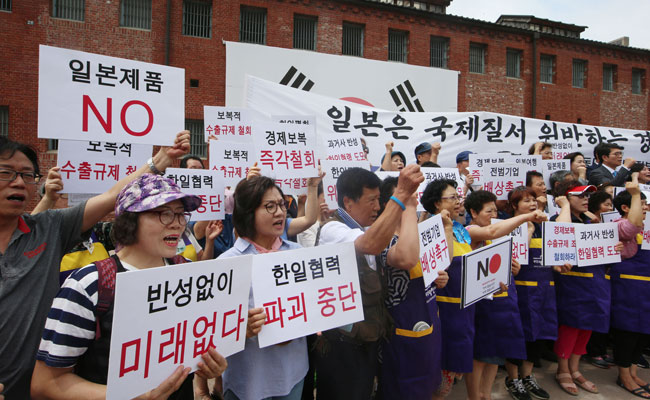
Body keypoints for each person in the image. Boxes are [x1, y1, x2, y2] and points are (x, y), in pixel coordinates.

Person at [0, 131, 190, 398]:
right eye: (6, 173)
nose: (19, 182)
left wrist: (160, 160)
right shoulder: (88, 284)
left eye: (27, 175)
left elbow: (113, 196)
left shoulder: (49, 228)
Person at [31, 174, 226, 400]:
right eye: (163, 213)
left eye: (181, 214)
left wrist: (210, 361)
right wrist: (131, 396)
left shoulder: (189, 275)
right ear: (129, 220)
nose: (177, 223)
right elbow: (46, 383)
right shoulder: (89, 285)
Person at [313, 165, 423, 399]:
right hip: (342, 343)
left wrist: (409, 207)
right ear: (348, 202)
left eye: (378, 199)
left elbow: (405, 256)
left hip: (367, 336)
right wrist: (401, 194)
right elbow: (369, 245)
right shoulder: (333, 229)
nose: (377, 207)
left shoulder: (368, 228)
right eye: (371, 200)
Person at [218, 175, 308, 400]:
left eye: (281, 204)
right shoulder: (226, 264)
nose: (280, 212)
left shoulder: (298, 254)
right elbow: (212, 330)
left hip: (293, 374)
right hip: (248, 380)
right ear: (248, 213)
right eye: (270, 206)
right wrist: (240, 329)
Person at [375, 177, 452, 399]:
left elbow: (442, 264)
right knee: (401, 388)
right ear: (389, 203)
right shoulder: (384, 240)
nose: (413, 201)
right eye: (406, 196)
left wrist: (441, 277)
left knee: (426, 384)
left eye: (413, 196)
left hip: (429, 323)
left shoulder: (422, 233)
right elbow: (406, 259)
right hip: (401, 331)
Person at [551, 180, 622, 395]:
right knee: (571, 325)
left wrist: (614, 247)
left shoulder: (591, 222)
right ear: (565, 198)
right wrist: (564, 206)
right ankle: (563, 369)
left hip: (595, 282)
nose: (585, 199)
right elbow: (561, 233)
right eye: (580, 195)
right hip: (573, 283)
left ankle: (575, 368)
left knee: (587, 325)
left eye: (587, 196)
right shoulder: (559, 219)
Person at [462, 190, 528, 400]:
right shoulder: (470, 231)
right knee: (480, 355)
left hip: (500, 303)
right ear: (473, 212)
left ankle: (486, 394)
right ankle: (474, 396)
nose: (493, 216)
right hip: (481, 307)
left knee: (495, 354)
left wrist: (513, 269)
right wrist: (526, 217)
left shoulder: (497, 237)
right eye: (488, 211)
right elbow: (490, 232)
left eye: (495, 211)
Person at [503, 186, 560, 400]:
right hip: (520, 290)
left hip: (544, 289)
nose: (533, 204)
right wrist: (527, 228)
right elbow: (516, 255)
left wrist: (559, 264)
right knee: (518, 334)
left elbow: (553, 254)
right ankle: (513, 378)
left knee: (539, 334)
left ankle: (527, 376)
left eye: (534, 200)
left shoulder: (545, 227)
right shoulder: (508, 226)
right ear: (514, 205)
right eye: (526, 200)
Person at [609, 174, 650, 398]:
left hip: (646, 289)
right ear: (626, 208)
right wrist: (634, 192)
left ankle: (633, 371)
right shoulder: (620, 225)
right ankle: (624, 375)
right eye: (640, 203)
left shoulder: (647, 227)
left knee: (643, 331)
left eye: (644, 203)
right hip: (628, 288)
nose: (645, 207)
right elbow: (631, 227)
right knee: (628, 331)